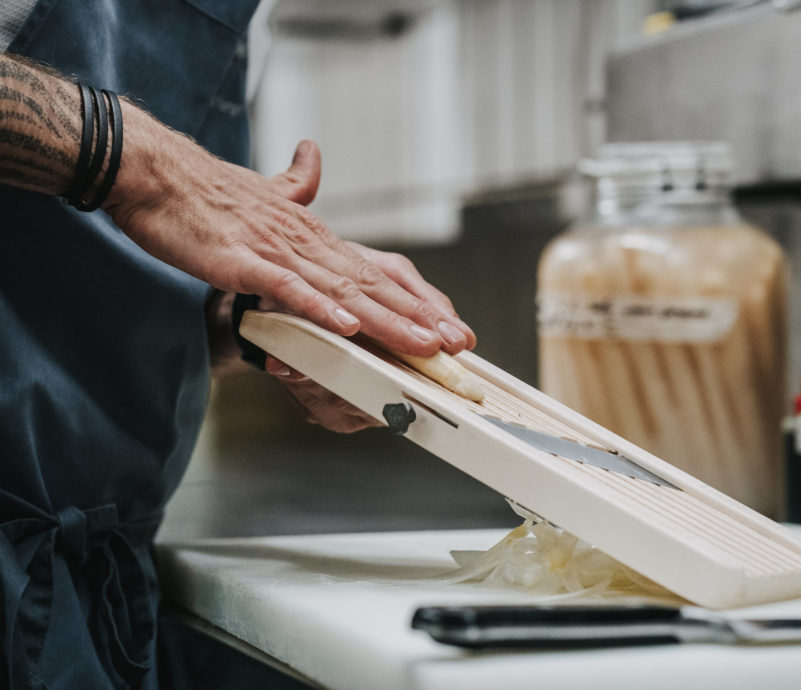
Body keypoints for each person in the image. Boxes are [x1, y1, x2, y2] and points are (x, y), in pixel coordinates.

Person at [0, 1, 475, 687]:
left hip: (88, 581)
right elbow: (155, 185)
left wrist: (261, 324)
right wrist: (146, 163)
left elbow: (92, 282)